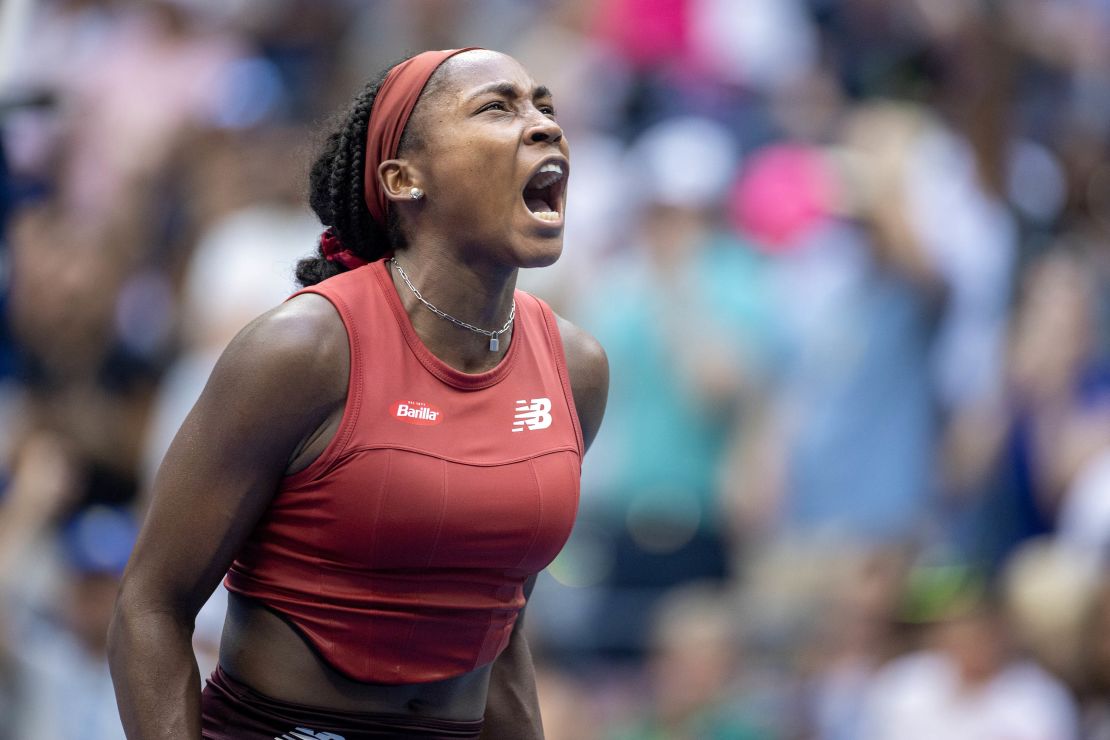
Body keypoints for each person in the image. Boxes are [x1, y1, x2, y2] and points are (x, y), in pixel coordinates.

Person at [107, 47, 609, 740]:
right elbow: (150, 607)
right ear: (405, 179)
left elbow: (500, 626)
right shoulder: (303, 351)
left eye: (545, 107)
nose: (545, 126)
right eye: (499, 107)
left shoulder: (575, 368)